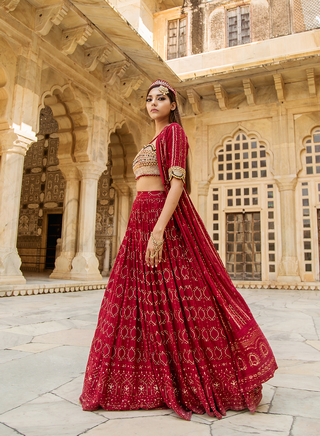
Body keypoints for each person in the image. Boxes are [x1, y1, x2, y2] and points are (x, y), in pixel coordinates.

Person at [79, 79, 277, 421]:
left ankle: (202, 379)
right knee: (138, 301)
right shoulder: (151, 139)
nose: (153, 103)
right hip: (140, 218)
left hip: (159, 218)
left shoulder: (173, 134)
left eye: (161, 98)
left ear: (172, 105)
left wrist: (158, 231)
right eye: (149, 98)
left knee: (179, 298)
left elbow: (177, 184)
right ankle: (151, 381)